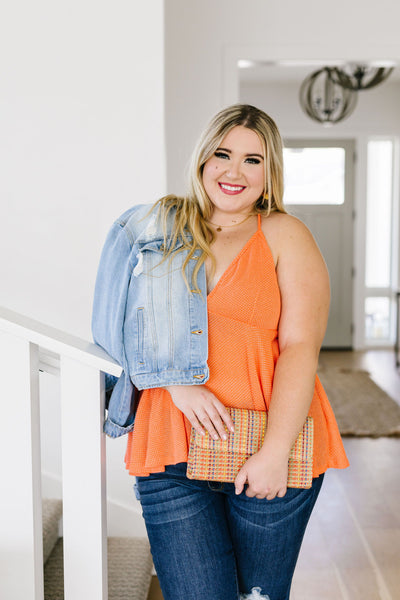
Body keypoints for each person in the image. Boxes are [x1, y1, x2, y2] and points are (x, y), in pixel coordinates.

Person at [92, 104, 349, 600]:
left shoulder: (285, 235)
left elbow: (300, 348)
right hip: (170, 448)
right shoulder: (154, 226)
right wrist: (172, 381)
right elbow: (113, 326)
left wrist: (274, 453)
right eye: (223, 154)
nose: (234, 172)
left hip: (266, 447)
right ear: (203, 158)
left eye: (253, 160)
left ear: (270, 172)